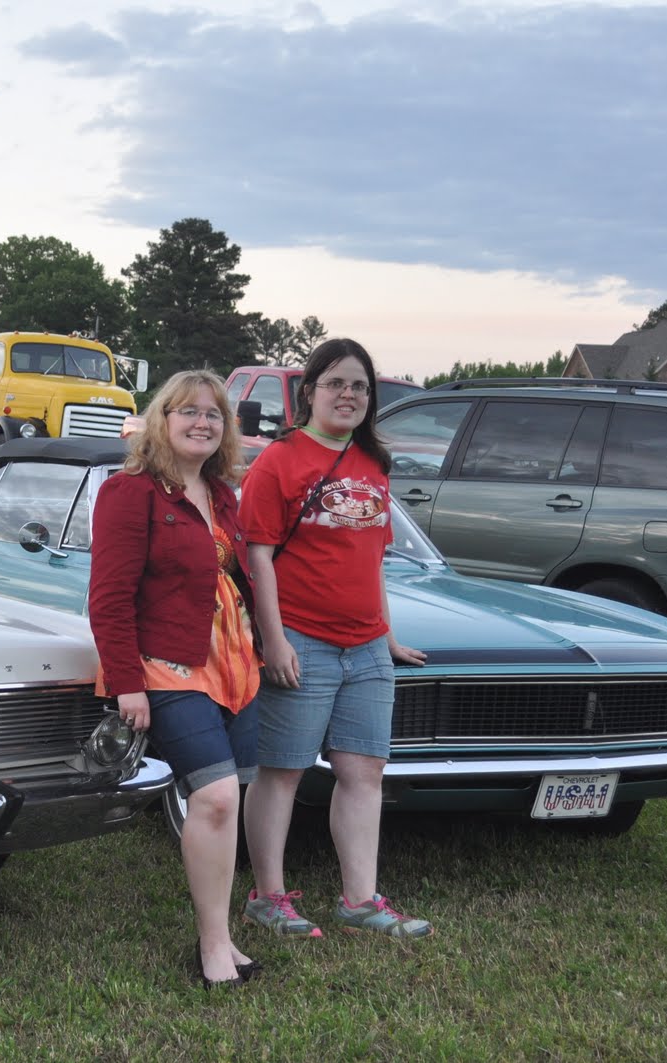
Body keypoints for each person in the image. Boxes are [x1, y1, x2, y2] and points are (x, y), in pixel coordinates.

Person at [239, 338, 434, 940]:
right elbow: (258, 558)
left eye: (359, 386)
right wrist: (274, 641)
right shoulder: (280, 460)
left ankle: (360, 900)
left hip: (368, 647)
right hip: (302, 638)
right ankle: (268, 896)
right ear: (310, 394)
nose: (348, 395)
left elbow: (372, 558)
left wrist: (388, 638)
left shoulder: (374, 462)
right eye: (335, 384)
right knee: (284, 770)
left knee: (363, 770)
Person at [88, 369, 264, 988]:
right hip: (166, 664)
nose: (201, 423)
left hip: (235, 667)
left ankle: (224, 935)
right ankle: (212, 947)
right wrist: (125, 680)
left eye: (214, 415)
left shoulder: (222, 496)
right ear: (162, 420)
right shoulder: (129, 492)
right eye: (187, 411)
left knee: (231, 799)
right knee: (214, 797)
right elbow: (108, 599)